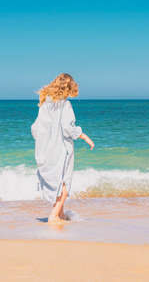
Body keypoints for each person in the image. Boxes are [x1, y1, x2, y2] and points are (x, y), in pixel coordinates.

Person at [31, 73, 94, 223]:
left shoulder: (45, 103)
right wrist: (84, 136)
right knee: (65, 182)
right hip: (62, 150)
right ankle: (54, 215)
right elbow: (68, 128)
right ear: (68, 88)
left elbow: (35, 128)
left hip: (46, 149)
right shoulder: (65, 105)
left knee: (58, 181)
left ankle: (61, 214)